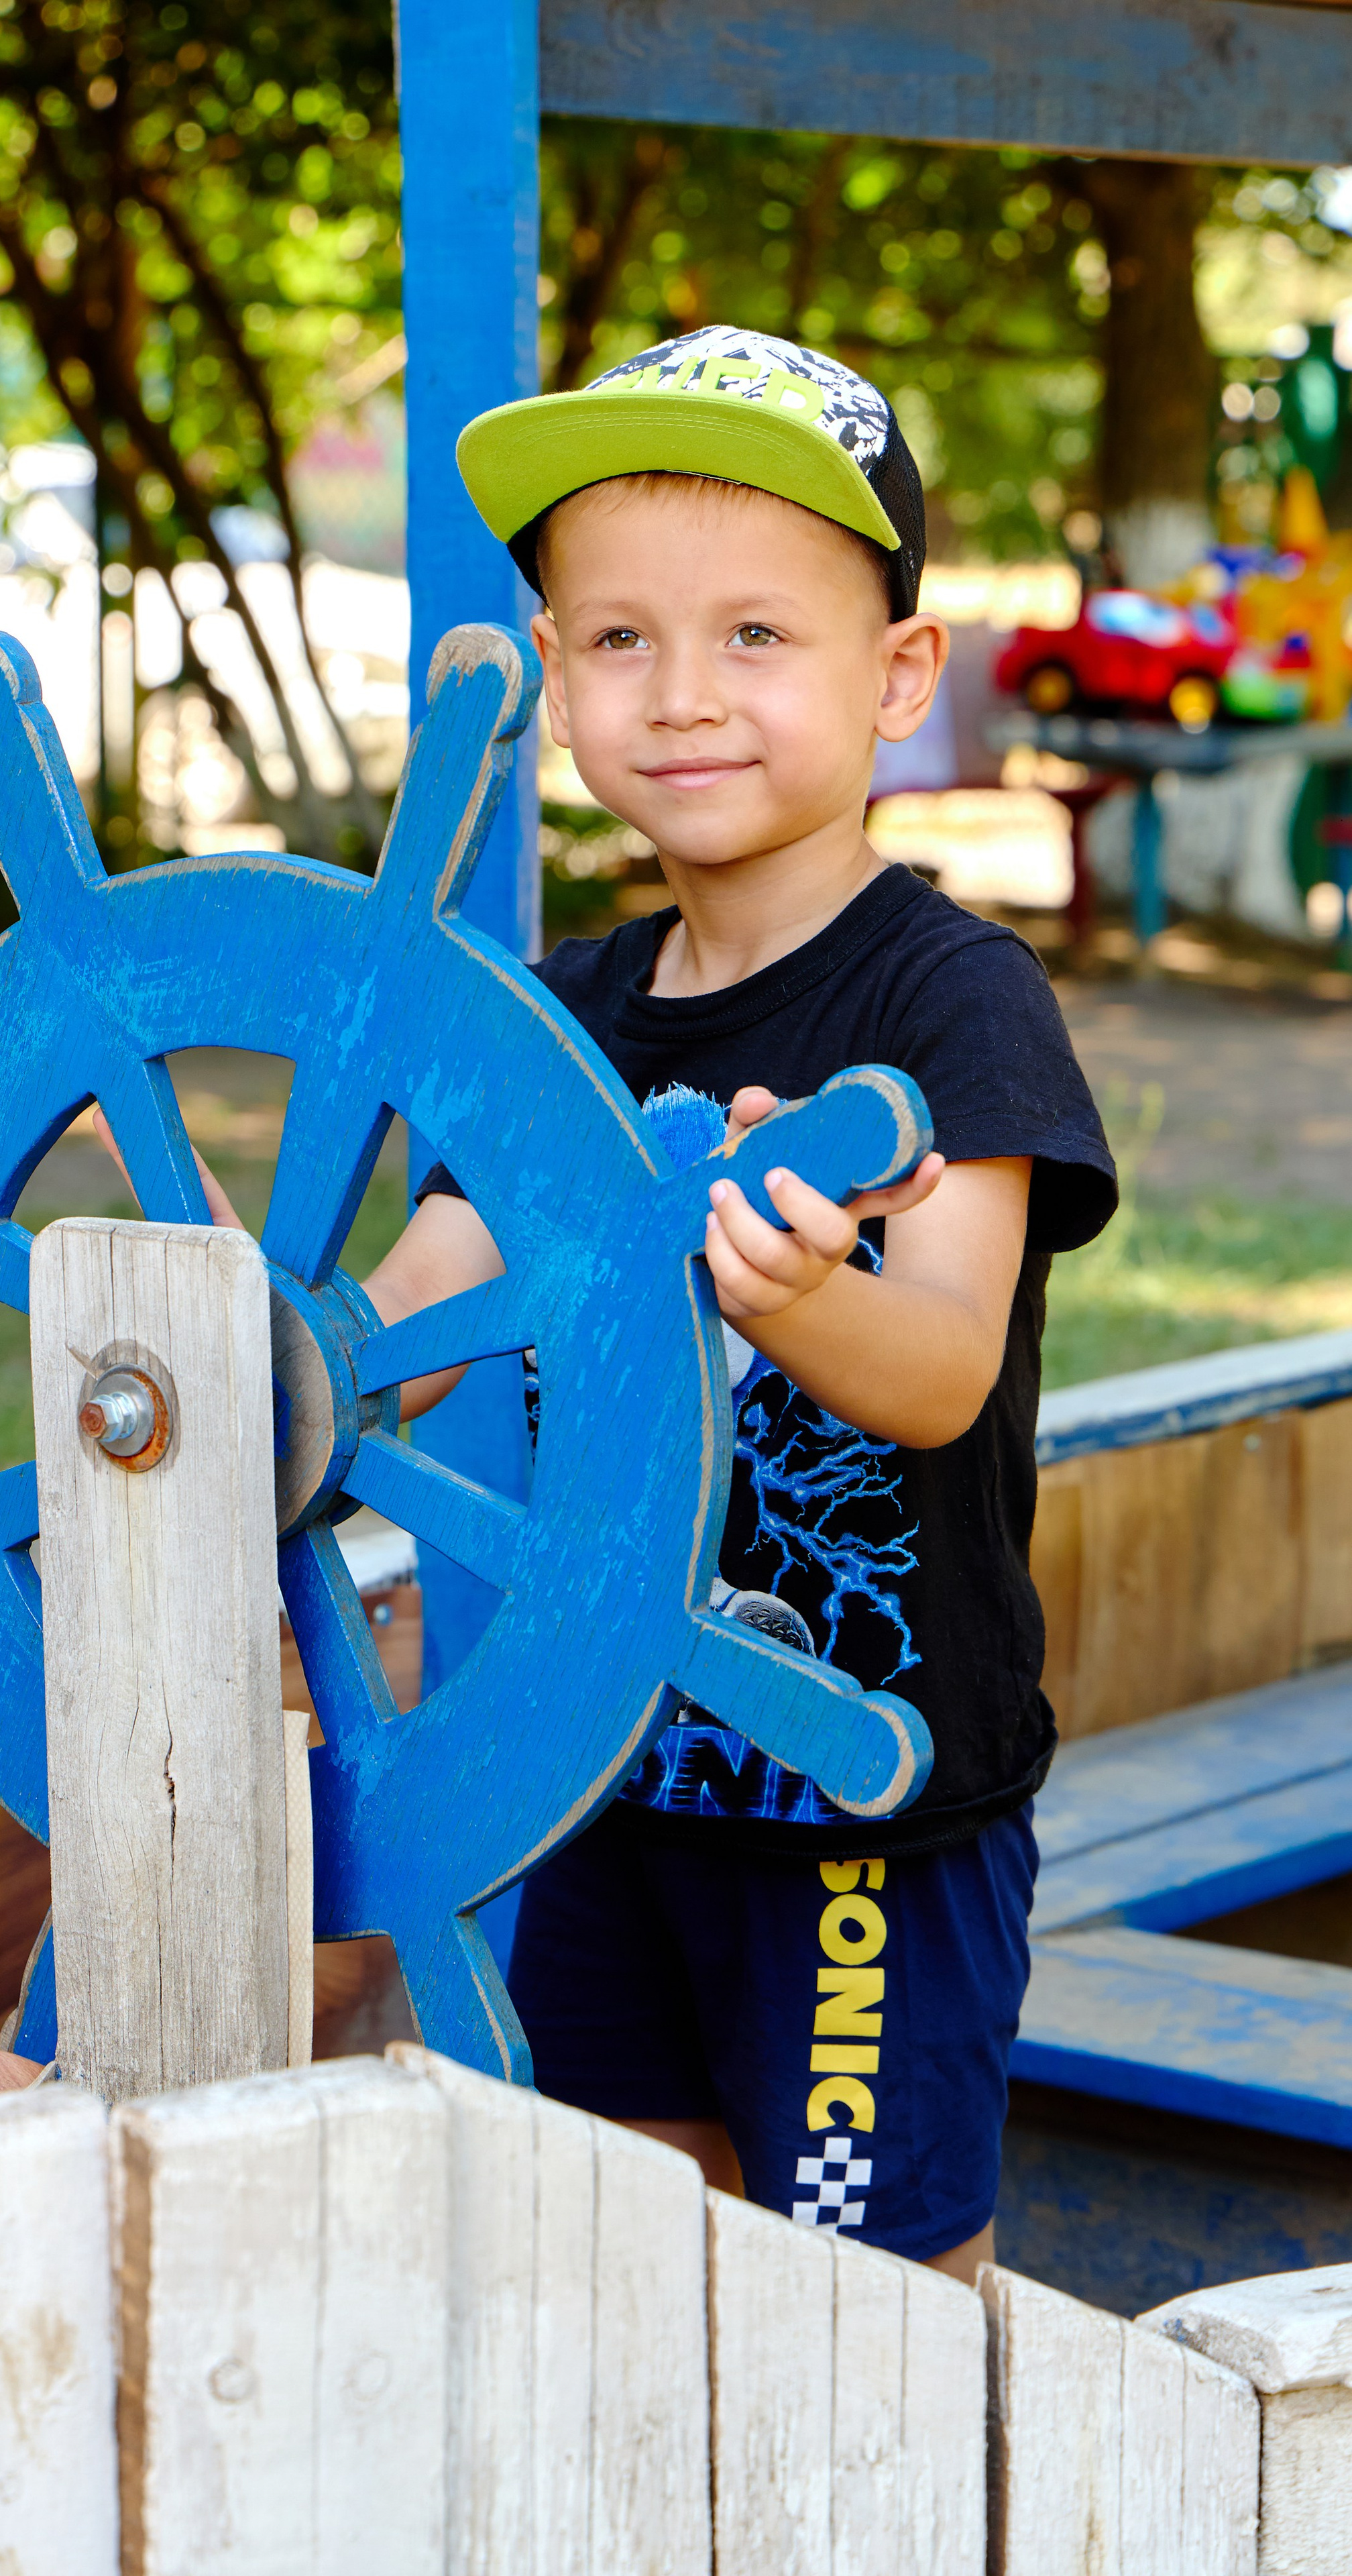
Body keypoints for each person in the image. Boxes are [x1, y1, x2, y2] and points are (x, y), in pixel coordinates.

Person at [372, 325, 1116, 2288]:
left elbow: (944, 1368)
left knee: (871, 2324)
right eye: (616, 639)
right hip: (603, 1790)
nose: (682, 696)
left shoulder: (950, 1005)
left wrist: (797, 1293)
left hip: (869, 1817)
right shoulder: (571, 1014)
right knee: (642, 2292)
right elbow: (419, 1304)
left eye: (755, 638)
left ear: (896, 680)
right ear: (552, 679)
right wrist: (258, 1379)